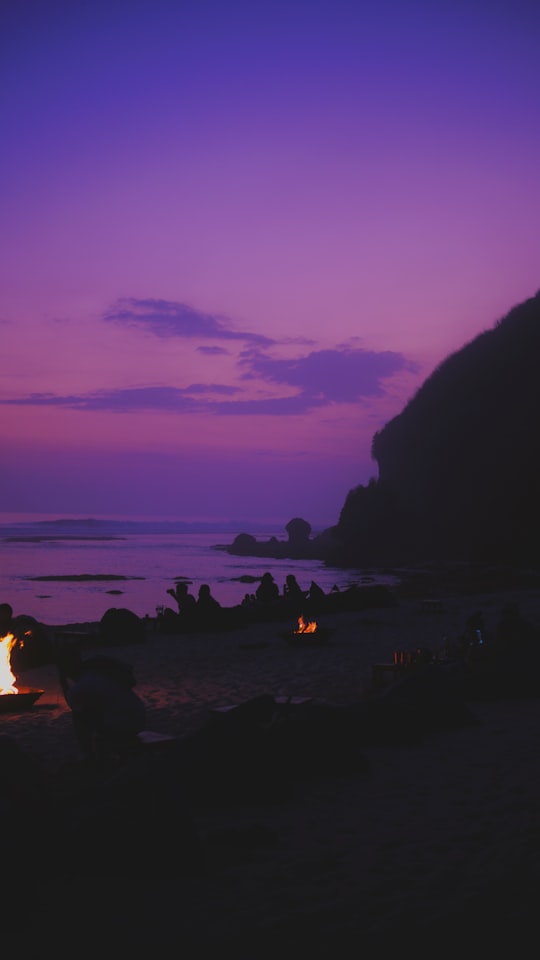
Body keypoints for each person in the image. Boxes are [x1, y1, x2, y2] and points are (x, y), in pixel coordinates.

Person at [56, 646, 146, 769]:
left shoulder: (81, 687)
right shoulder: (98, 673)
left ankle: (88, 755)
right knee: (91, 711)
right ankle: (98, 752)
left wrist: (63, 684)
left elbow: (73, 706)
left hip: (127, 724)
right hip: (140, 716)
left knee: (79, 717)